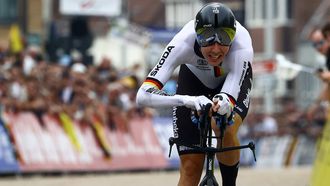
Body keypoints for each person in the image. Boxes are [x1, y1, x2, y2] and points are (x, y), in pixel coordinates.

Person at [136, 2, 253, 186]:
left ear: (233, 36)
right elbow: (142, 96)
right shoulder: (183, 41)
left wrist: (223, 103)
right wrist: (186, 100)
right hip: (193, 82)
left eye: (224, 38)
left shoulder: (242, 44)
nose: (215, 49)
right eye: (207, 39)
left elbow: (229, 95)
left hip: (229, 81)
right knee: (191, 168)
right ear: (197, 35)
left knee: (221, 123)